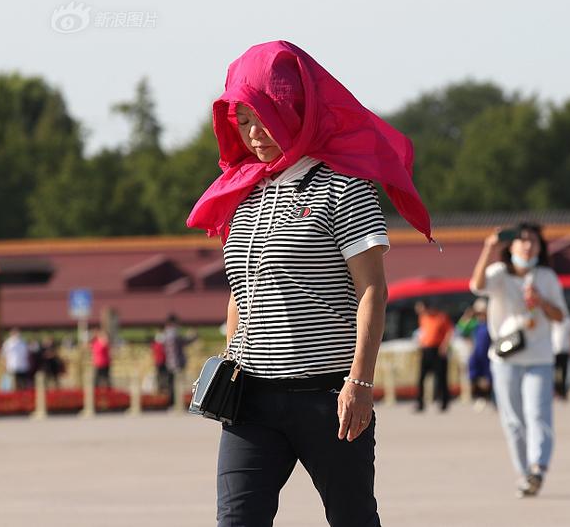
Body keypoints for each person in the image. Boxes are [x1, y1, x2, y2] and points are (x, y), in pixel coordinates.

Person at [186, 40, 432, 527]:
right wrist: (228, 355)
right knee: (236, 521)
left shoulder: (344, 187)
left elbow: (372, 291)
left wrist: (359, 383)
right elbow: (241, 289)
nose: (255, 134)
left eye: (265, 117)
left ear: (295, 109)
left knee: (352, 518)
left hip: (329, 399)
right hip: (251, 400)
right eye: (244, 121)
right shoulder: (241, 193)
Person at [470, 223, 569, 498]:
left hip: (539, 356)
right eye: (522, 241)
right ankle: (524, 473)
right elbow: (477, 287)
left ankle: (538, 467)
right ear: (510, 247)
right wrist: (488, 248)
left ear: (540, 247)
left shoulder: (546, 277)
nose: (528, 246)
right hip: (505, 357)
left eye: (534, 242)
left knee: (538, 414)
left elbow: (561, 316)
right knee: (513, 420)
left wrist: (540, 302)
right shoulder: (499, 273)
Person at [414, 301, 453, 412]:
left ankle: (444, 402)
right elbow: (423, 332)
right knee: (421, 377)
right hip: (426, 349)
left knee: (441, 377)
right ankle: (420, 402)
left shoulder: (441, 317)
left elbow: (449, 332)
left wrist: (444, 346)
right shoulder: (423, 318)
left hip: (438, 349)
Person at [458, 298, 492, 410]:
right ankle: (480, 397)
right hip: (477, 354)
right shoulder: (475, 324)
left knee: (490, 377)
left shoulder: (491, 323)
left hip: (489, 354)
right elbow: (461, 329)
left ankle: (492, 398)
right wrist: (467, 316)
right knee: (475, 376)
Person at [163, 314, 197, 403]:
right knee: (176, 385)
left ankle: (173, 403)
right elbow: (184, 342)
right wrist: (193, 336)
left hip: (169, 362)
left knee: (172, 384)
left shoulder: (166, 333)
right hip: (176, 363)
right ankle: (176, 403)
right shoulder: (173, 333)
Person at [551, 313, 570, 400]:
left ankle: (563, 392)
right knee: (555, 373)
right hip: (555, 350)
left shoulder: (568, 319)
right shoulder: (552, 320)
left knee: (564, 373)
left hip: (565, 350)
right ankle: (556, 391)